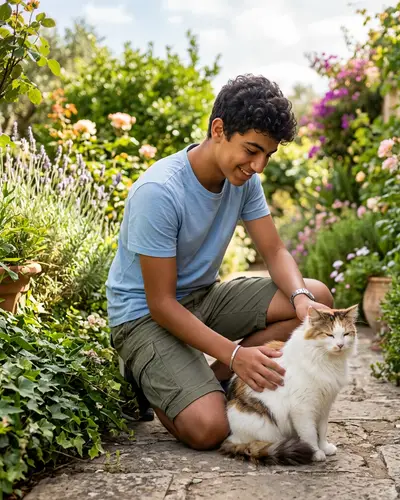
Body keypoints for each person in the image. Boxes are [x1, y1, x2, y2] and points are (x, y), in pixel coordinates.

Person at [105, 74, 333, 450]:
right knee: (210, 427)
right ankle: (149, 380)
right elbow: (160, 303)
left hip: (202, 298)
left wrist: (300, 297)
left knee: (313, 302)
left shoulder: (243, 181)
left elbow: (274, 251)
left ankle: (205, 379)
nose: (258, 166)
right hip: (144, 317)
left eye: (267, 156)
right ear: (218, 130)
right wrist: (235, 353)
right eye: (251, 150)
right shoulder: (159, 192)